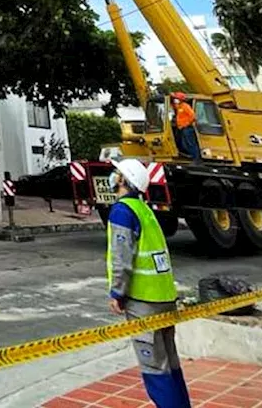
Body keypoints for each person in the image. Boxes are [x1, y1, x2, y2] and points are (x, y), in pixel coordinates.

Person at [107, 157, 191, 408]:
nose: (113, 177)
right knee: (170, 365)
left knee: (155, 367)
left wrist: (117, 293)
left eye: (116, 173)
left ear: (124, 180)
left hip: (143, 302)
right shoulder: (146, 211)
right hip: (164, 298)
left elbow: (122, 258)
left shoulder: (122, 211)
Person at [172, 93, 200, 161]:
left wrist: (186, 124)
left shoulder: (185, 106)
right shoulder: (179, 106)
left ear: (181, 100)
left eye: (177, 99)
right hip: (182, 128)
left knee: (191, 144)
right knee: (184, 145)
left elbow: (193, 116)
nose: (175, 100)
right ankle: (192, 157)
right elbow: (173, 106)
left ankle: (197, 159)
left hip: (187, 128)